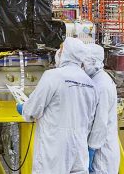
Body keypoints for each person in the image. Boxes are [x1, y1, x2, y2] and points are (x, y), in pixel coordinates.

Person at [18, 38, 98, 174]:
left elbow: (33, 110)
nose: (58, 53)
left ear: (67, 53)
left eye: (60, 50)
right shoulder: (90, 83)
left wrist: (23, 107)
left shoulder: (53, 76)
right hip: (79, 147)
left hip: (54, 147)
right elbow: (90, 119)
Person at [84, 44, 121, 174]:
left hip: (101, 153)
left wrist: (91, 149)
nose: (82, 65)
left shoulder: (102, 84)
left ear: (94, 61)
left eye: (84, 61)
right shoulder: (97, 79)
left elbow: (100, 122)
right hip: (100, 147)